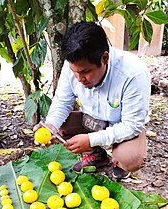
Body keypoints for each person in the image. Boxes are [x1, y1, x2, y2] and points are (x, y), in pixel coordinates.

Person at [34, 21, 151, 179]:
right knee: (58, 125)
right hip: (92, 120)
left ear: (105, 58)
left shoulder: (132, 74)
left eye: (86, 72)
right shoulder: (73, 66)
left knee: (130, 158)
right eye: (75, 72)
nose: (80, 79)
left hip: (122, 125)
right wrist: (50, 126)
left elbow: (132, 125)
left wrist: (90, 139)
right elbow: (62, 101)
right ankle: (97, 156)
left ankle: (121, 163)